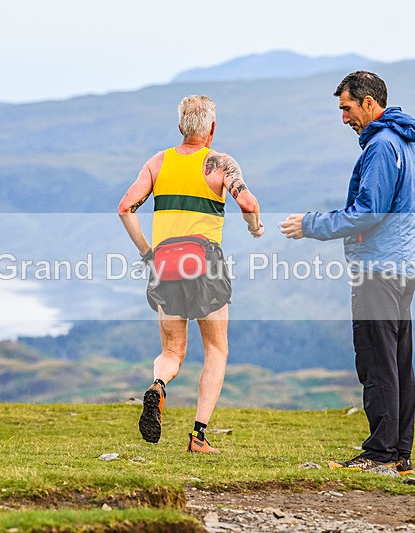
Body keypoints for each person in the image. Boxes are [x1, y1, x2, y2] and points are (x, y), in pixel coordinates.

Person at [280, 71, 415, 476]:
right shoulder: (407, 142)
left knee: (375, 361)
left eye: (347, 108)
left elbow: (367, 212)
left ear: (369, 103)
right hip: (403, 270)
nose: (344, 118)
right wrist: (411, 256)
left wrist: (310, 225)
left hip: (378, 271)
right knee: (398, 361)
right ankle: (399, 452)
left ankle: (380, 453)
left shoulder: (381, 146)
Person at [118, 95, 263, 454]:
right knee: (216, 349)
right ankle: (198, 437)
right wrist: (255, 227)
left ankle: (158, 385)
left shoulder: (157, 162)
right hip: (205, 263)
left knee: (172, 350)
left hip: (165, 264)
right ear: (211, 128)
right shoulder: (221, 164)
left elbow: (125, 208)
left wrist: (146, 252)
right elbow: (247, 202)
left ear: (180, 126)